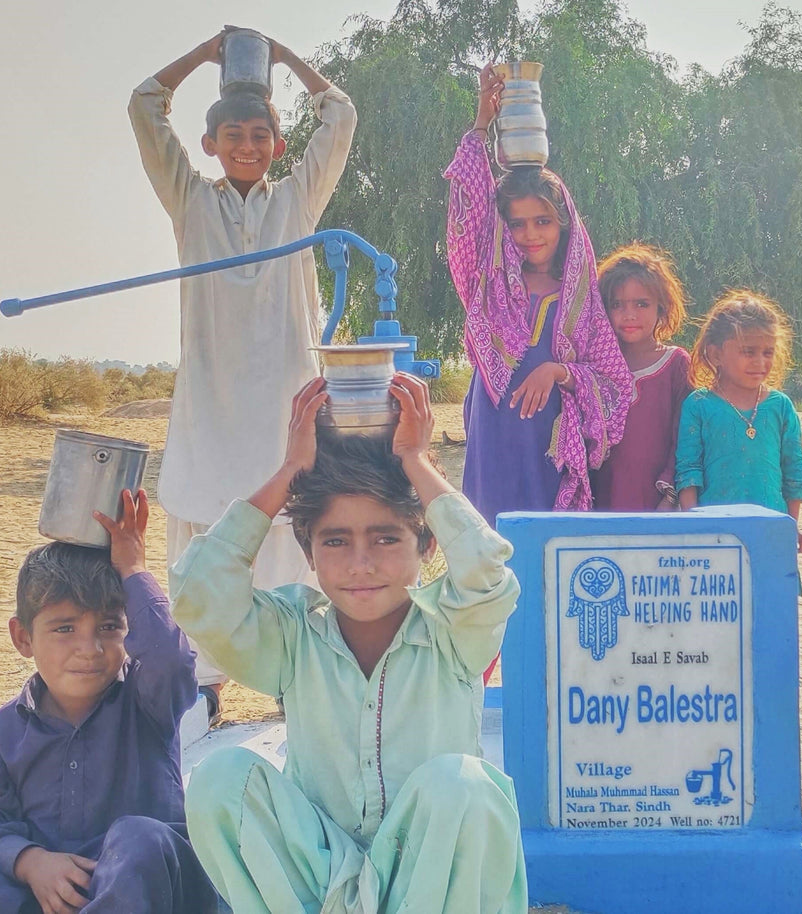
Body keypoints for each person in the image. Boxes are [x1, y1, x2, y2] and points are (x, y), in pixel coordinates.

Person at [171, 374, 528, 914]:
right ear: (309, 553)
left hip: (432, 882)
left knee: (465, 786)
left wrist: (415, 460)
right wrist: (290, 471)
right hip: (325, 878)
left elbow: (487, 573)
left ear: (427, 543)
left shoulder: (455, 631)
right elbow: (199, 594)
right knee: (218, 781)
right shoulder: (292, 634)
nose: (361, 563)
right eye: (336, 541)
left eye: (386, 538)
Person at [128, 29, 357, 714]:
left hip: (284, 411)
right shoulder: (189, 200)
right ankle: (205, 690)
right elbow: (144, 105)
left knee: (291, 542)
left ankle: (297, 686)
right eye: (234, 135)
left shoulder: (297, 201)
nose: (248, 147)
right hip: (210, 408)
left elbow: (340, 114)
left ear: (278, 145)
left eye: (261, 135)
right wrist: (202, 57)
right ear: (210, 145)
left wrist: (284, 60)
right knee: (206, 537)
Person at [0, 490, 217, 914]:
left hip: (156, 891)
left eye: (108, 626)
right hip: (51, 895)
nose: (90, 648)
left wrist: (132, 567)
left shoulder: (148, 701)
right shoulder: (6, 732)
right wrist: (30, 862)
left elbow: (171, 660)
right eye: (64, 629)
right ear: (23, 638)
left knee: (139, 837)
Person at [445, 63, 632, 526]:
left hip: (549, 445)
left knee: (548, 553)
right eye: (518, 223)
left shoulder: (582, 300)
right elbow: (468, 213)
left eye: (542, 221)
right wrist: (481, 126)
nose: (530, 234)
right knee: (492, 547)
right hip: (493, 438)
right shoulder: (486, 286)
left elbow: (615, 387)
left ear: (563, 223)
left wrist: (558, 372)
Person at [674, 290, 802, 561]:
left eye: (767, 352)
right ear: (716, 354)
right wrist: (693, 526)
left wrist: (790, 527)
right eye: (748, 352)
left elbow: (794, 474)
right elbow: (688, 471)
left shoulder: (781, 406)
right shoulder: (699, 405)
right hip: (714, 536)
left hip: (770, 533)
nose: (760, 362)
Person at [591, 242, 692, 511]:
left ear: (662, 307)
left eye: (641, 304)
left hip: (658, 503)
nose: (630, 315)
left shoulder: (676, 365)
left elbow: (685, 438)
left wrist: (670, 496)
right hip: (601, 501)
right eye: (617, 304)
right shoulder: (593, 366)